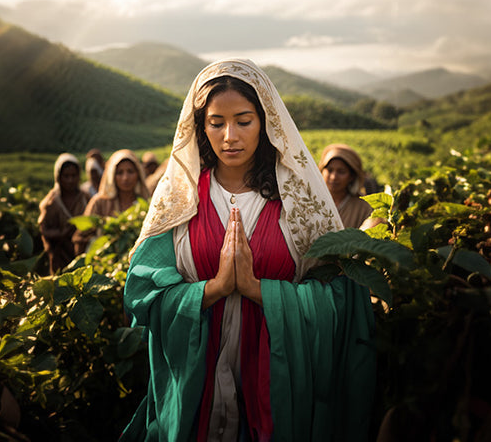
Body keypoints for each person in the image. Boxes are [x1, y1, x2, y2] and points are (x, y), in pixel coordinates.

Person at [121, 59, 375, 441]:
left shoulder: (300, 201)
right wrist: (215, 288)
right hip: (198, 386)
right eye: (216, 123)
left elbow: (342, 297)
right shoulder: (180, 199)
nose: (229, 137)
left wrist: (260, 291)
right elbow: (144, 293)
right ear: (199, 126)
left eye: (244, 120)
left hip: (279, 384)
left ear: (266, 121)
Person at [74, 149, 150, 253]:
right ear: (112, 176)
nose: (125, 178)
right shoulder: (99, 202)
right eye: (119, 173)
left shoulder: (146, 203)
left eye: (130, 172)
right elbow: (80, 238)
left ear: (138, 174)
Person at [38, 153, 90, 272]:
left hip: (82, 253)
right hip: (59, 255)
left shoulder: (85, 197)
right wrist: (62, 233)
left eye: (74, 175)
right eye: (66, 176)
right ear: (58, 177)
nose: (70, 180)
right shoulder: (51, 201)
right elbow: (44, 229)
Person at [319, 144, 374, 229]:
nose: (334, 177)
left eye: (341, 172)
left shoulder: (363, 207)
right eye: (330, 170)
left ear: (351, 176)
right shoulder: (313, 202)